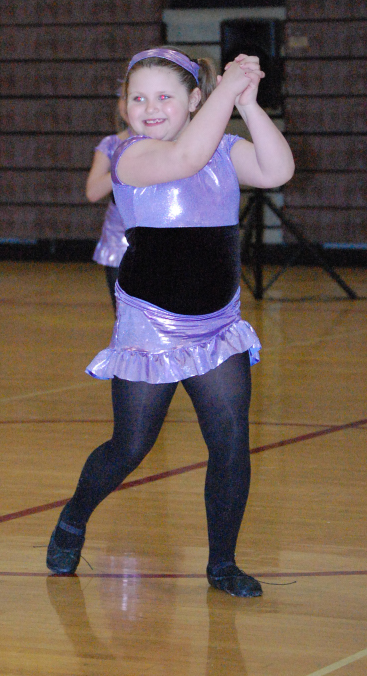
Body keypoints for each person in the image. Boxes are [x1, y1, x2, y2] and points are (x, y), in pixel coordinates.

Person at [47, 47, 294, 597]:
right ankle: (74, 516)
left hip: (217, 324)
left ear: (194, 100)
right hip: (152, 323)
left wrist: (247, 105)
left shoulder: (222, 148)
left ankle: (222, 563)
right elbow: (183, 158)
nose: (149, 107)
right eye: (138, 98)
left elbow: (278, 170)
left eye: (164, 96)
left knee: (230, 443)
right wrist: (227, 91)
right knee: (131, 445)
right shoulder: (129, 154)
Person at [88, 103, 130, 310]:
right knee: (124, 316)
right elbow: (93, 192)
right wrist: (124, 164)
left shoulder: (172, 144)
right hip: (120, 243)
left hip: (163, 240)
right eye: (127, 97)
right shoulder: (112, 144)